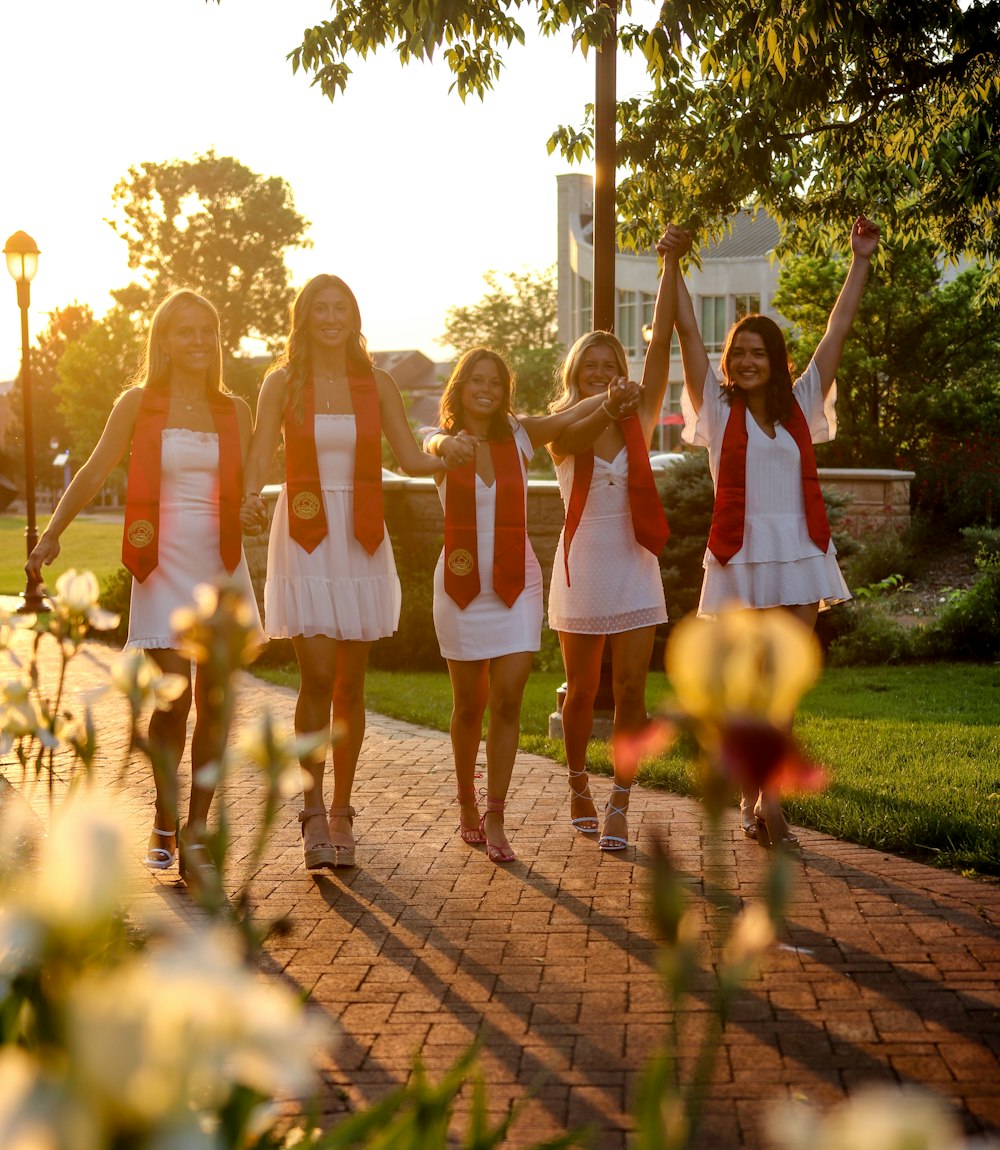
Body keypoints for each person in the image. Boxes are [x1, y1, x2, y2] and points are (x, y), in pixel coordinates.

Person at [25, 289, 261, 877]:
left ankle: (198, 828)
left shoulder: (236, 410)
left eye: (207, 331)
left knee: (214, 702)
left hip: (220, 565)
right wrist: (53, 532)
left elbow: (249, 488)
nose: (199, 342)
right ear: (164, 339)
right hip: (161, 561)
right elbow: (96, 466)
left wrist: (253, 510)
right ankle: (164, 812)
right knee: (172, 700)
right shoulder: (138, 402)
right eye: (186, 332)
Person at [671, 215, 881, 850]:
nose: (746, 360)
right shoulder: (715, 403)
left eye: (758, 352)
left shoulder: (802, 402)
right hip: (738, 556)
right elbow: (684, 328)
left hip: (798, 552)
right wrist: (672, 266)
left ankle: (768, 799)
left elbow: (837, 328)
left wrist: (862, 259)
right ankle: (756, 796)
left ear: (776, 360)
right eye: (739, 352)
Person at [242, 274, 447, 871]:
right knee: (319, 676)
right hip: (304, 532)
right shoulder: (281, 382)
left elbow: (407, 455)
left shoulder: (376, 383)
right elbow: (260, 452)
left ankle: (342, 809)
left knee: (352, 686)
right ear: (303, 318)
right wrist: (249, 495)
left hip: (358, 533)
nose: (330, 317)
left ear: (354, 317)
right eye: (319, 309)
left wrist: (446, 449)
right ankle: (308, 808)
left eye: (341, 308)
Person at [424, 348, 638, 863]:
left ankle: (495, 814)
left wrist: (609, 402)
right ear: (460, 386)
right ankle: (466, 804)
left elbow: (566, 418)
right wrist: (440, 440)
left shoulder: (520, 435)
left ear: (505, 390)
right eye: (475, 380)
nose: (486, 388)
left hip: (516, 586)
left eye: (495, 382)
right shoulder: (446, 447)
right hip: (460, 584)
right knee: (468, 705)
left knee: (508, 698)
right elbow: (426, 441)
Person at [547, 230, 684, 851]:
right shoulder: (563, 424)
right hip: (581, 564)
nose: (602, 375)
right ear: (575, 376)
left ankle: (621, 800)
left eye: (611, 367)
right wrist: (605, 406)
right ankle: (578, 781)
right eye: (591, 368)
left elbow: (659, 353)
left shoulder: (640, 415)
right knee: (580, 690)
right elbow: (570, 444)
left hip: (632, 561)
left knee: (631, 691)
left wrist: (670, 264)